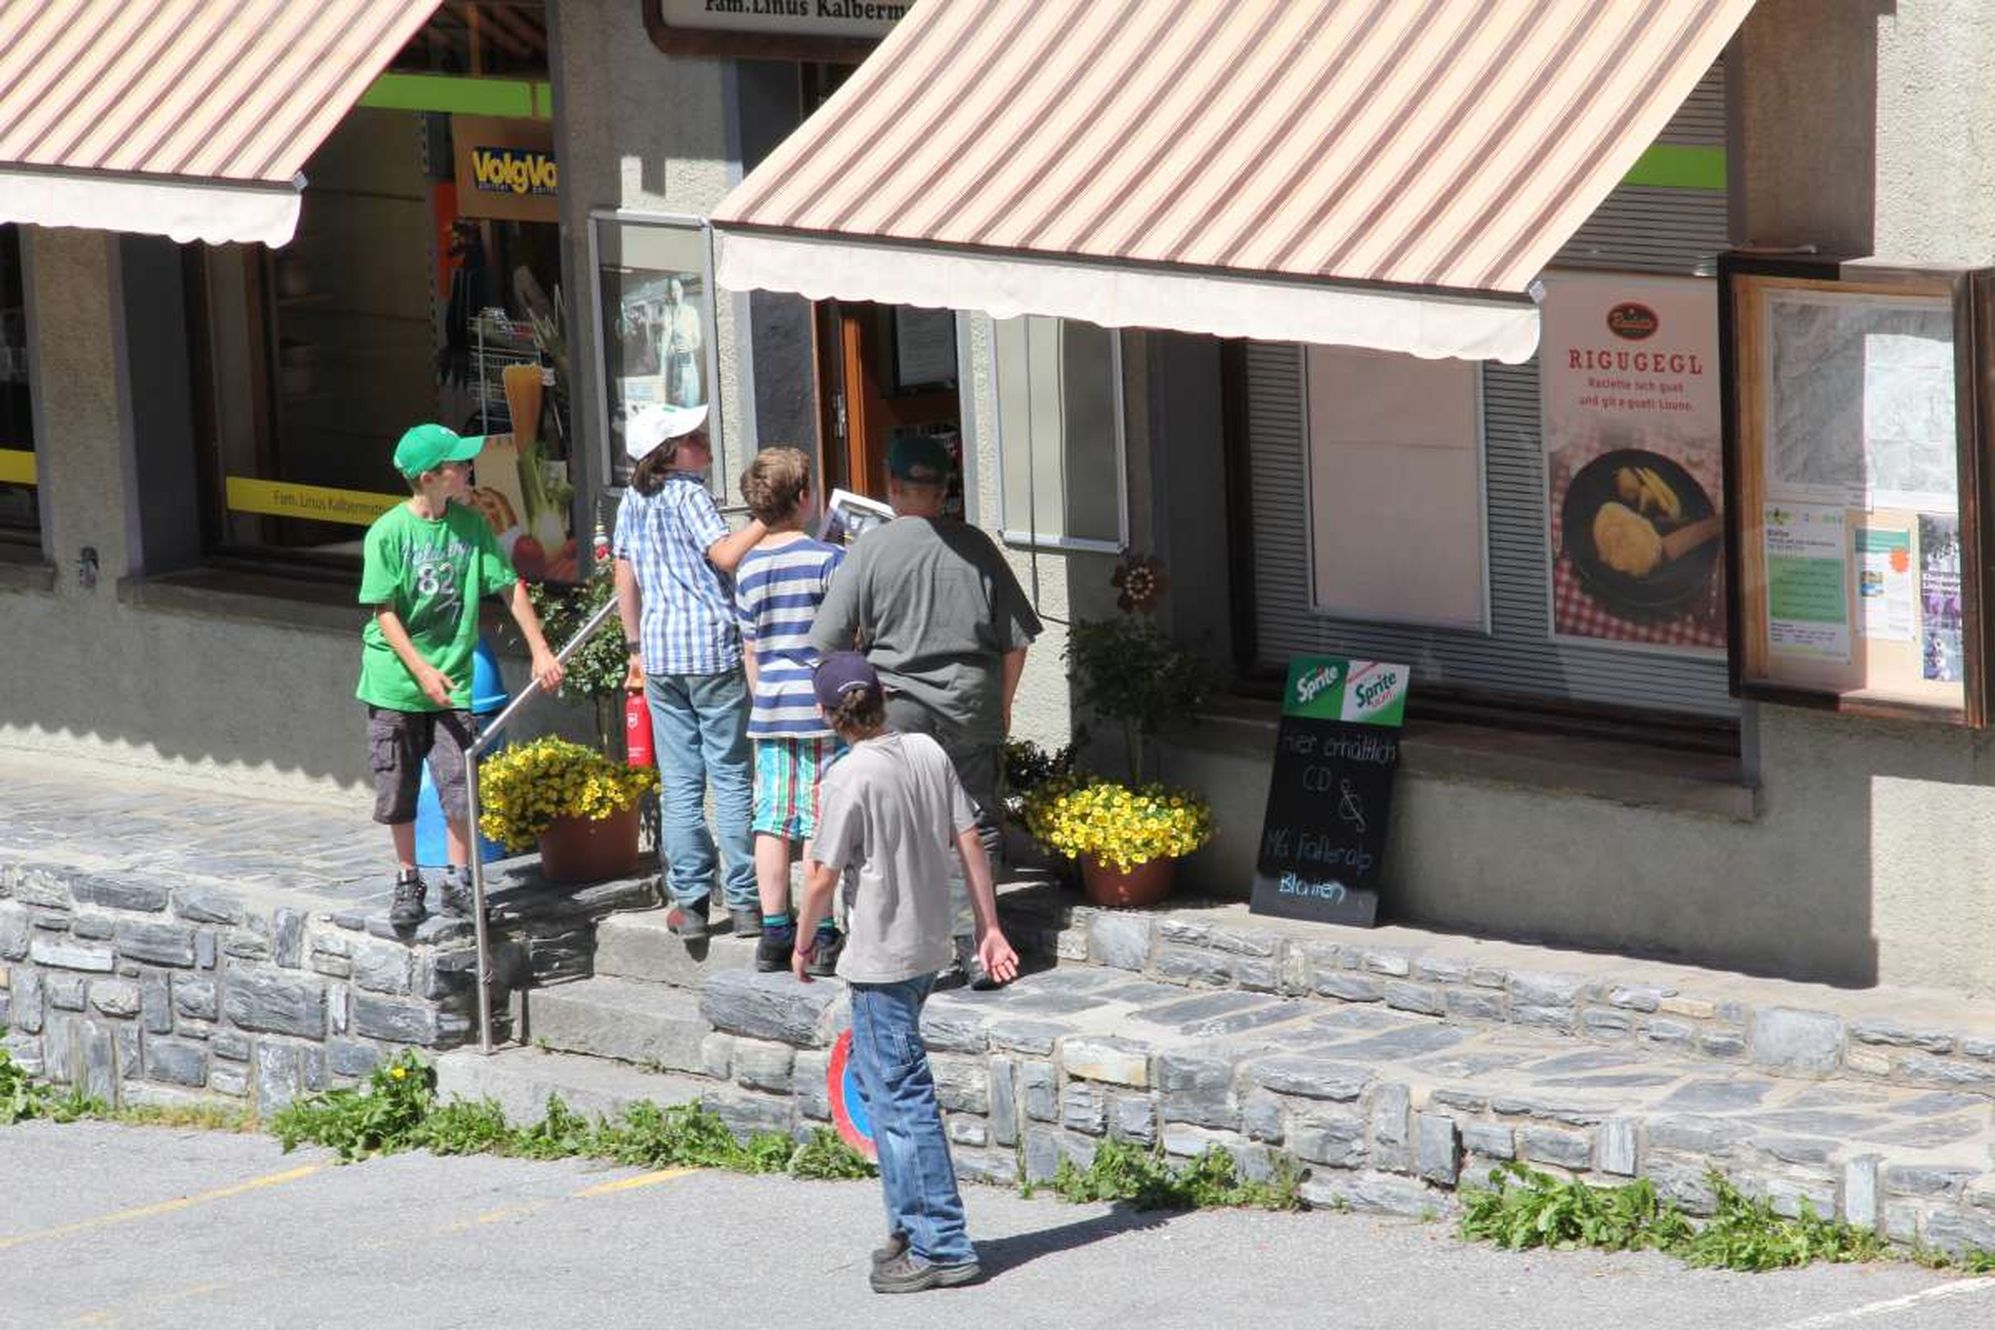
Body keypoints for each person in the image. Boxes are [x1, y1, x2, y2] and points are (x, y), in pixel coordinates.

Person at [791, 652, 1020, 1294]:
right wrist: (989, 927)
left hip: (880, 959)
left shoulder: (847, 776)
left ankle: (940, 1244)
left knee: (900, 1099)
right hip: (927, 949)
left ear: (827, 715)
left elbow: (820, 876)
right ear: (883, 699)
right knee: (887, 1087)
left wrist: (802, 944)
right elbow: (969, 840)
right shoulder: (926, 750)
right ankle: (907, 1225)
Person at [808, 432, 1041, 987]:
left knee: (899, 827)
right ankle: (977, 945)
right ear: (944, 491)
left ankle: (908, 944)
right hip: (969, 704)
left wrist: (854, 700)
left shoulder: (869, 550)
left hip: (898, 710)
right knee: (973, 825)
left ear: (892, 487)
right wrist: (1002, 704)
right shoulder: (976, 548)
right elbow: (1017, 641)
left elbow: (827, 643)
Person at [358, 423, 563, 928]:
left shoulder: (472, 526)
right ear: (430, 477)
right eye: (457, 464)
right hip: (396, 682)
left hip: (453, 681)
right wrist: (421, 669)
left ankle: (459, 879)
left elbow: (509, 585)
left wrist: (540, 649)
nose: (468, 469)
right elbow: (384, 611)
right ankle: (408, 879)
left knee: (458, 781)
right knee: (398, 785)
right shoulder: (388, 533)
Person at [614, 402, 766, 940]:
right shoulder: (689, 494)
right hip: (710, 648)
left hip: (661, 652)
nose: (704, 441)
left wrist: (634, 645)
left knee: (680, 782)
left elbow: (624, 573)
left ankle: (692, 902)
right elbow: (724, 556)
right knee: (730, 775)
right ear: (669, 452)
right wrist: (766, 520)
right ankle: (746, 900)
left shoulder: (632, 500)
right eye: (692, 437)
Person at [734, 447, 847, 973]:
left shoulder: (749, 567)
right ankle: (820, 932)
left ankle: (774, 931)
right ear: (803, 498)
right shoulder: (827, 559)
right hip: (821, 705)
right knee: (821, 819)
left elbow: (750, 647)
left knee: (773, 819)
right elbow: (845, 633)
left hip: (771, 707)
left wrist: (762, 696)